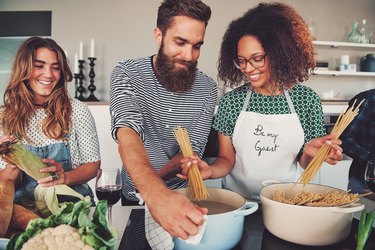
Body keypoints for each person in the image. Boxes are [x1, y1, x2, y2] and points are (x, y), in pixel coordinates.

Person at [179, 2, 343, 201]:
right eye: (242, 60)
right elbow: (226, 159)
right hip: (238, 202)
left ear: (280, 53)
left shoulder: (306, 100)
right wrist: (209, 171)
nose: (248, 68)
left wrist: (311, 154)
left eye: (256, 58)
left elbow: (306, 164)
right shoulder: (232, 101)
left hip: (287, 202)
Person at [109, 0, 216, 240]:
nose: (189, 55)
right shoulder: (126, 73)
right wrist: (155, 193)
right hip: (135, 198)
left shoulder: (208, 88)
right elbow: (127, 133)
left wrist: (163, 190)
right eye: (180, 42)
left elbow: (192, 151)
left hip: (186, 197)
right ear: (159, 35)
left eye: (197, 46)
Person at [0, 36, 101, 206]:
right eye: (39, 66)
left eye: (56, 68)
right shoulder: (6, 116)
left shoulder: (76, 110)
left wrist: (65, 177)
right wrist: (13, 164)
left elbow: (93, 165)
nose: (48, 74)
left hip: (72, 206)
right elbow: (6, 182)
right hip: (23, 211)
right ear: (23, 68)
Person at [341, 88, 375, 197]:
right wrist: (372, 162)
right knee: (362, 214)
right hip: (365, 184)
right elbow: (344, 138)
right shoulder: (366, 100)